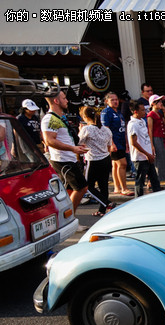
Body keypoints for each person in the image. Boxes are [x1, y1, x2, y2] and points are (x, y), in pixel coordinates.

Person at [41, 91, 89, 228]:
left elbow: (62, 138)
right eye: (64, 98)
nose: (67, 100)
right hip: (62, 160)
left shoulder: (59, 117)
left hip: (68, 159)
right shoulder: (49, 118)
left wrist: (76, 147)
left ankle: (66, 219)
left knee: (69, 191)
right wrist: (72, 149)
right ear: (56, 101)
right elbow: (49, 140)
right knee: (81, 188)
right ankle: (69, 221)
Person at [78, 106, 116, 216]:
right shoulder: (106, 130)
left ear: (85, 117)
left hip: (93, 160)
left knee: (87, 187)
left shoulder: (86, 129)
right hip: (106, 159)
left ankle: (107, 203)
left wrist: (80, 130)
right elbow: (109, 146)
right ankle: (102, 210)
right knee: (103, 186)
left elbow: (78, 143)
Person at [101, 92, 133, 196]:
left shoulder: (119, 113)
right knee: (122, 164)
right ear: (107, 101)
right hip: (114, 143)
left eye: (116, 99)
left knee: (115, 165)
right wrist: (111, 143)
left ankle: (117, 187)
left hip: (121, 141)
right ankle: (124, 188)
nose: (115, 102)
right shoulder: (106, 112)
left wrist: (126, 142)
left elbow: (123, 129)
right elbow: (106, 129)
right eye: (112, 100)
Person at [127, 100, 161, 197]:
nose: (144, 112)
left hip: (148, 156)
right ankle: (138, 200)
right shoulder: (132, 124)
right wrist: (147, 154)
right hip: (140, 158)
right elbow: (133, 142)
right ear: (135, 112)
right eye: (142, 110)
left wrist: (151, 150)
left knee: (154, 179)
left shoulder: (142, 121)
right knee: (140, 182)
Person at [147, 94, 165, 189]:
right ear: (153, 103)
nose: (161, 103)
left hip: (161, 138)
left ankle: (150, 181)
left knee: (157, 161)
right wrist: (151, 144)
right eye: (159, 102)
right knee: (161, 160)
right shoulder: (151, 115)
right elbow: (150, 130)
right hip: (156, 138)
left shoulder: (160, 114)